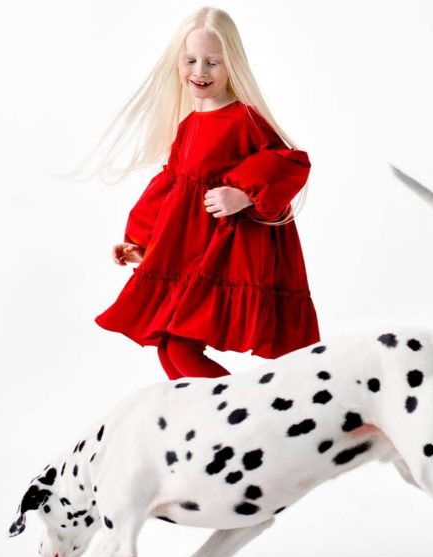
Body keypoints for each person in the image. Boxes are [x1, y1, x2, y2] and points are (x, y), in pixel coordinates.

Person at [93, 6, 320, 379]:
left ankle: (242, 409)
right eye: (191, 60)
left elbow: (288, 162)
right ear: (178, 63)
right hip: (193, 254)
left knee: (179, 347)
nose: (200, 71)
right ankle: (213, 412)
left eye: (213, 62)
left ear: (231, 65)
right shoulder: (188, 126)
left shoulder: (244, 119)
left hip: (225, 258)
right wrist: (145, 246)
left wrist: (244, 194)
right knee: (169, 348)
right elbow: (172, 191)